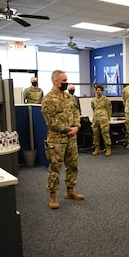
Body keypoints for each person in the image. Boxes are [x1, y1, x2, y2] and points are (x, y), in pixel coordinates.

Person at [41, 70, 84, 209]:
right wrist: (68, 129)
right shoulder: (48, 99)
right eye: (63, 81)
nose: (66, 83)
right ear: (55, 81)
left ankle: (70, 191)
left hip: (71, 138)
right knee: (55, 167)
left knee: (73, 165)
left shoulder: (69, 97)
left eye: (66, 80)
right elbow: (51, 121)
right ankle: (53, 195)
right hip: (57, 139)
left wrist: (77, 127)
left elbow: (77, 112)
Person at [91, 85, 112, 157]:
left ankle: (108, 148)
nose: (98, 91)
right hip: (96, 118)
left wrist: (108, 118)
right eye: (97, 90)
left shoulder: (106, 100)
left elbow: (109, 109)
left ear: (102, 91)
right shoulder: (93, 100)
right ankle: (97, 148)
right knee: (95, 133)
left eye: (99, 90)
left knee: (105, 133)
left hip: (104, 118)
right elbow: (93, 108)